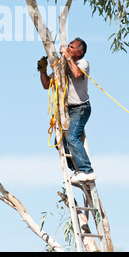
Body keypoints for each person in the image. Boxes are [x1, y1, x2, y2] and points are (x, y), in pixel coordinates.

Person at [38, 38, 96, 183]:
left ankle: (86, 170)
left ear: (80, 52)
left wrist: (68, 57)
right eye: (68, 47)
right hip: (66, 110)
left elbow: (77, 74)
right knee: (60, 142)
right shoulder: (63, 66)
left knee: (72, 137)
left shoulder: (83, 63)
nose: (68, 49)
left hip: (80, 108)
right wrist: (43, 70)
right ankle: (77, 170)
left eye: (72, 47)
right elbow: (46, 85)